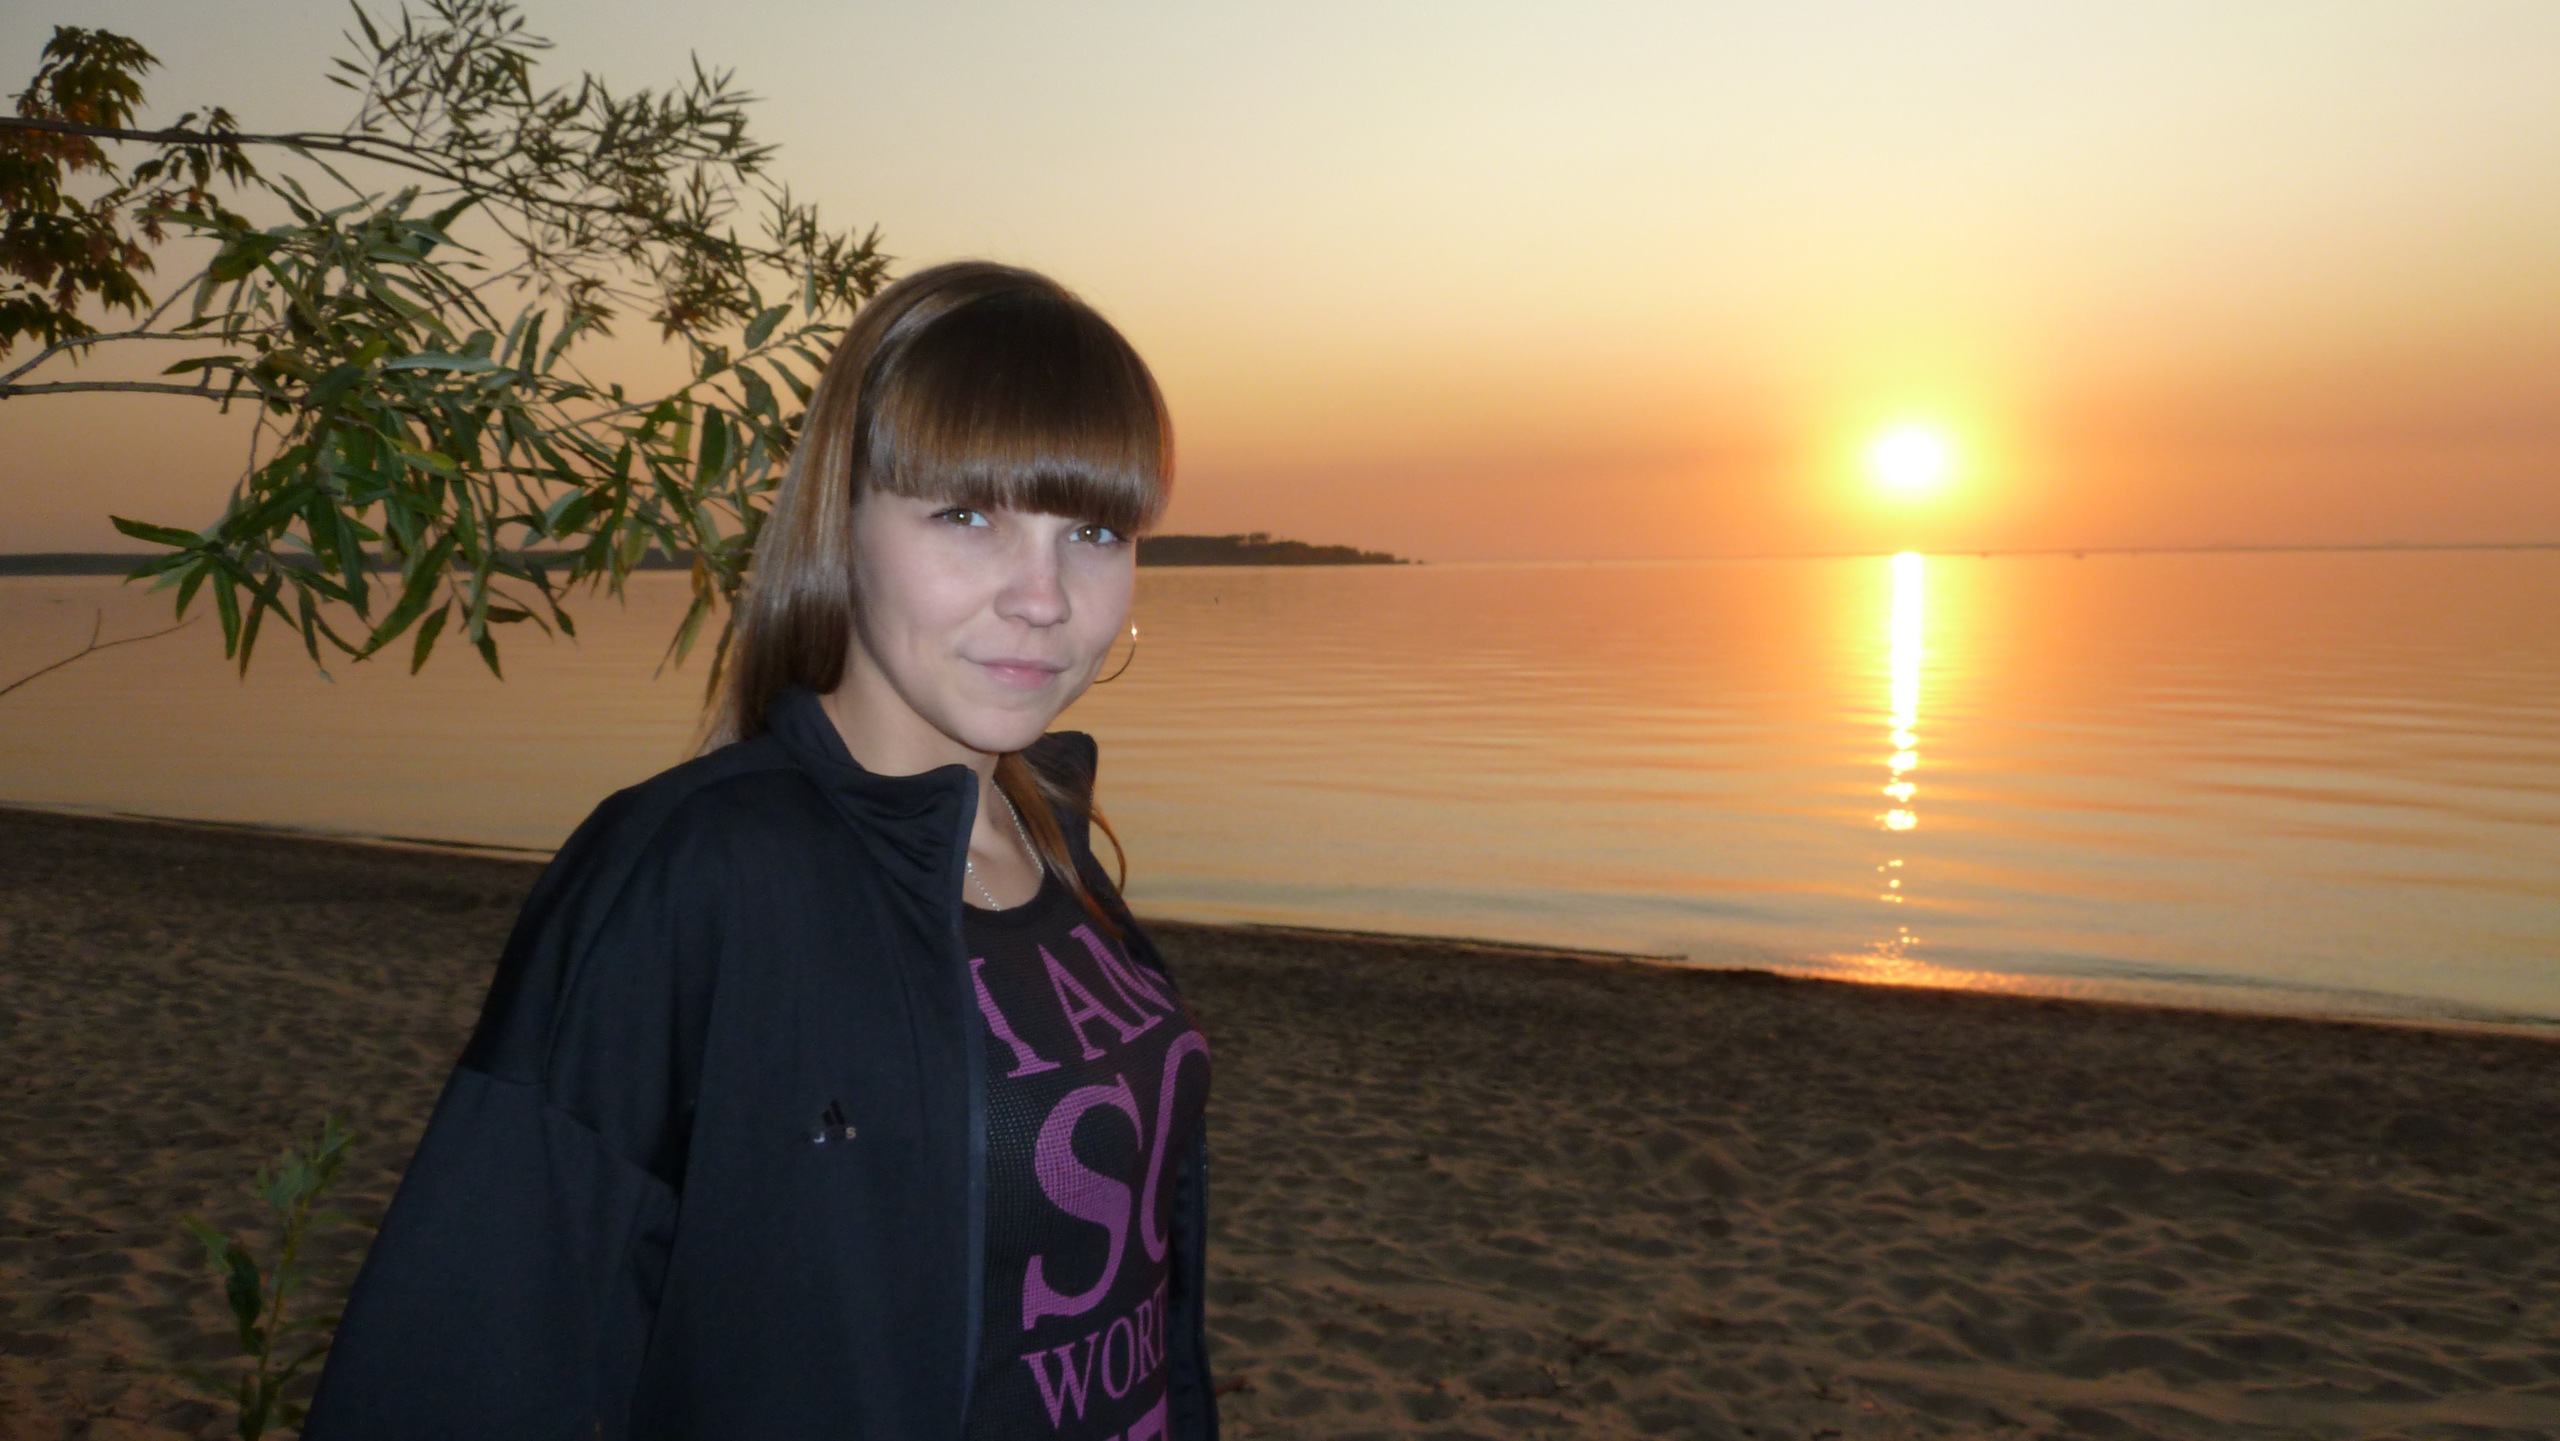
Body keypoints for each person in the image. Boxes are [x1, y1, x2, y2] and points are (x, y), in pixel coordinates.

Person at [304, 262, 1217, 1441]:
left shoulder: (1048, 828)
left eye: (1092, 531)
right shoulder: (694, 868)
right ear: (844, 521)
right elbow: (465, 1353)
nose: (1043, 598)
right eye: (967, 516)